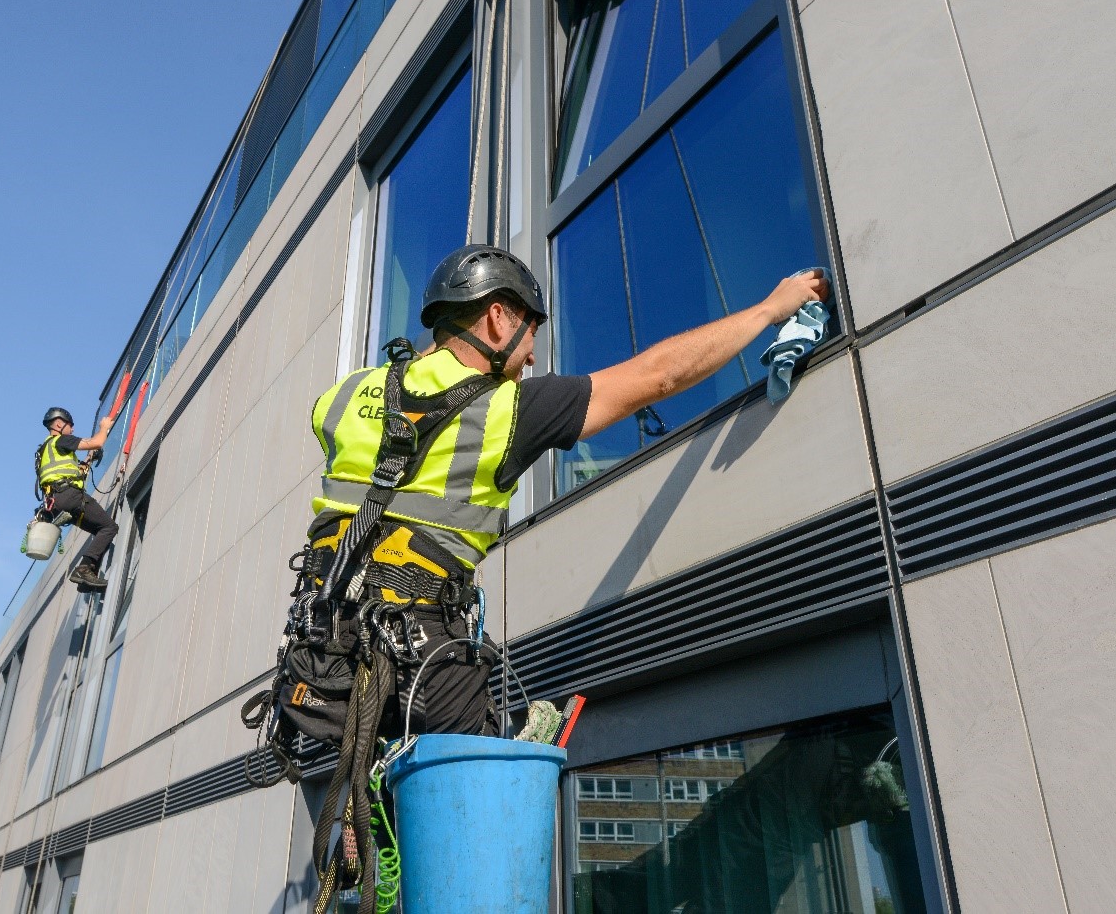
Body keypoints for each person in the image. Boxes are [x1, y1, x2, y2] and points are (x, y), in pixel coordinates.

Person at [304, 244, 829, 736]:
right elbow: (660, 376)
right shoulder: (508, 409)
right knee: (483, 790)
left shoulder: (344, 395)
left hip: (323, 655)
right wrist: (768, 309)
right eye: (530, 334)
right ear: (496, 317)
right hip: (420, 661)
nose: (530, 358)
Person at [36, 407, 119, 590]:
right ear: (59, 424)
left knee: (100, 529)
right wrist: (104, 427)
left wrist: (88, 459)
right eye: (70, 426)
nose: (72, 430)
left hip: (56, 502)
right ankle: (83, 570)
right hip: (70, 496)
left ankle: (85, 580)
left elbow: (67, 473)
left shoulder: (45, 449)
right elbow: (96, 442)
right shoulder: (61, 440)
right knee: (109, 527)